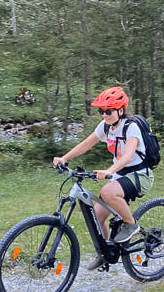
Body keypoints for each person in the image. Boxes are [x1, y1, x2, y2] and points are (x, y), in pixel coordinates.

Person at [53, 86, 154, 246]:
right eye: (102, 111)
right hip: (119, 175)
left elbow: (128, 156)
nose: (104, 115)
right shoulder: (106, 126)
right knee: (97, 218)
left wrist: (109, 171)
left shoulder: (130, 127)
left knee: (107, 191)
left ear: (121, 110)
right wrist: (64, 158)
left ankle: (132, 225)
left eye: (109, 111)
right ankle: (106, 252)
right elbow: (87, 144)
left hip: (140, 175)